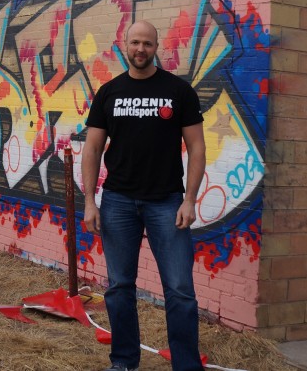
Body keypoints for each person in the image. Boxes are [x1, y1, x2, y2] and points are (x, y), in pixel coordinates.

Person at [82, 20, 207, 371]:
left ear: (156, 48)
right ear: (124, 44)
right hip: (118, 201)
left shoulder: (179, 91)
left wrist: (190, 200)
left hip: (167, 201)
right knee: (119, 286)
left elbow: (197, 148)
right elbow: (92, 149)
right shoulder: (108, 92)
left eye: (148, 44)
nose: (141, 49)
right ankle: (124, 362)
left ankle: (186, 366)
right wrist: (91, 201)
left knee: (180, 289)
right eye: (135, 42)